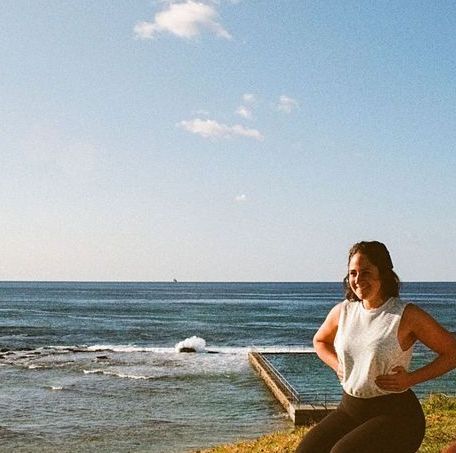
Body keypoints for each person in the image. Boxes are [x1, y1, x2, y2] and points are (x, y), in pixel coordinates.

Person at [296, 241, 456, 453]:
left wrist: (411, 378)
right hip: (350, 409)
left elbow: (452, 352)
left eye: (366, 272)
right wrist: (337, 366)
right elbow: (320, 341)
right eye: (353, 273)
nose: (358, 279)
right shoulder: (343, 311)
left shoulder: (405, 315)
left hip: (397, 416)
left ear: (383, 273)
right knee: (307, 450)